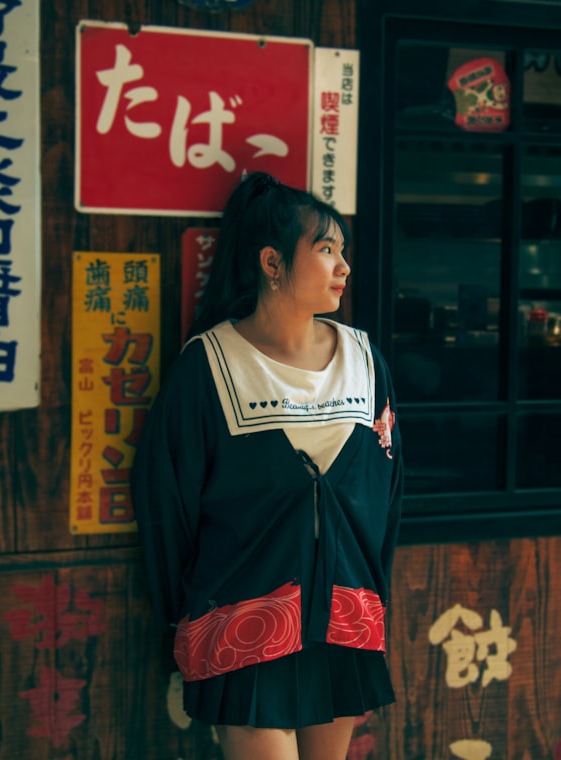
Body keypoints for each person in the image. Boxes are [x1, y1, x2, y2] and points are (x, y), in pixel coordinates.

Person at [131, 171, 403, 760]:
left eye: (343, 251)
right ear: (272, 263)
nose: (343, 267)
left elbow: (388, 496)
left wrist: (374, 597)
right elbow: (168, 508)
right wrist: (180, 621)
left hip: (345, 618)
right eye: (326, 250)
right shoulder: (208, 368)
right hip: (242, 625)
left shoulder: (363, 361)